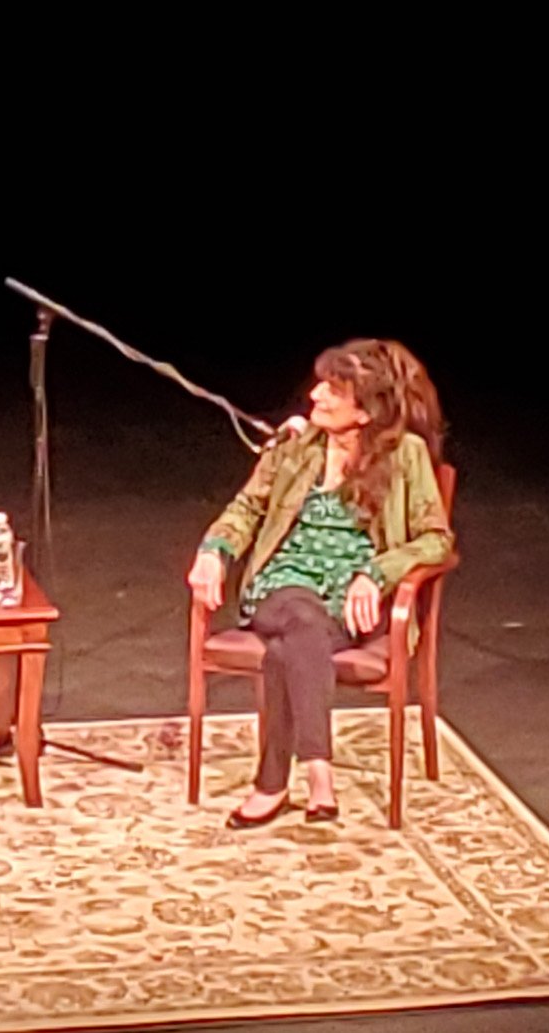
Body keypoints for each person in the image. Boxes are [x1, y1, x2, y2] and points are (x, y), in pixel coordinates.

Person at [185, 338, 455, 825]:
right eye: (320, 385)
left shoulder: (406, 455)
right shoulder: (296, 445)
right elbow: (246, 508)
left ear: (366, 412)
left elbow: (436, 539)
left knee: (288, 649)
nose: (315, 396)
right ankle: (318, 773)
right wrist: (213, 550)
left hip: (347, 602)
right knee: (299, 615)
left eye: (333, 390)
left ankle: (271, 785)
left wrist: (376, 572)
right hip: (281, 586)